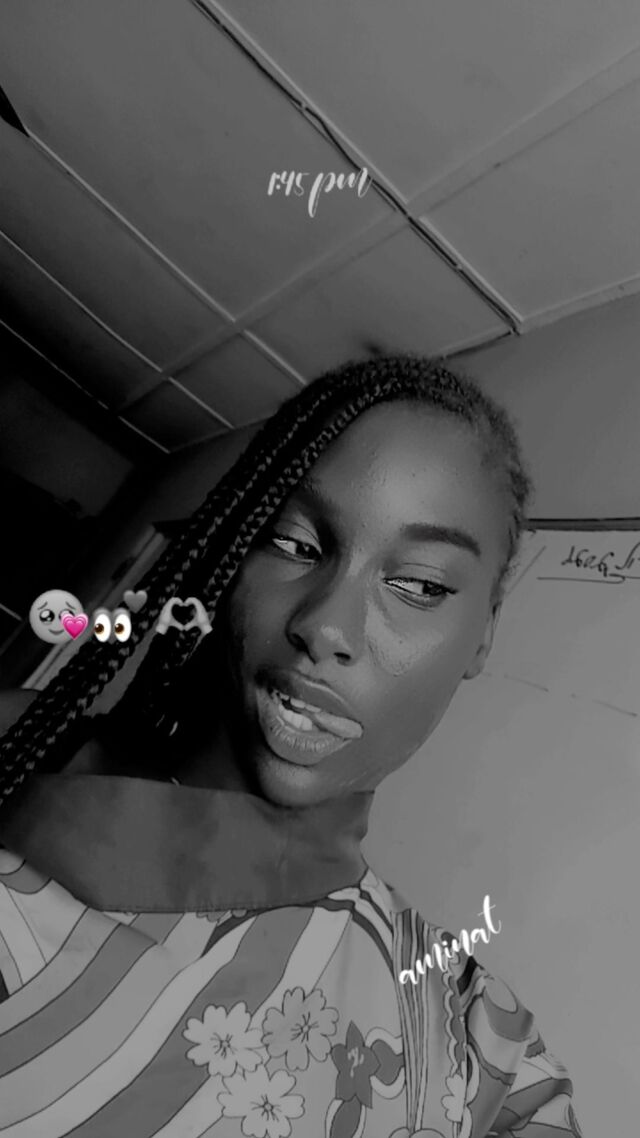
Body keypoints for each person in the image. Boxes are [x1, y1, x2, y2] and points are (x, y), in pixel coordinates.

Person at [0, 355, 582, 1137]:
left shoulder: (482, 1052)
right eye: (293, 542)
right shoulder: (15, 747)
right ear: (230, 545)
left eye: (421, 585)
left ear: (483, 635)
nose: (326, 626)